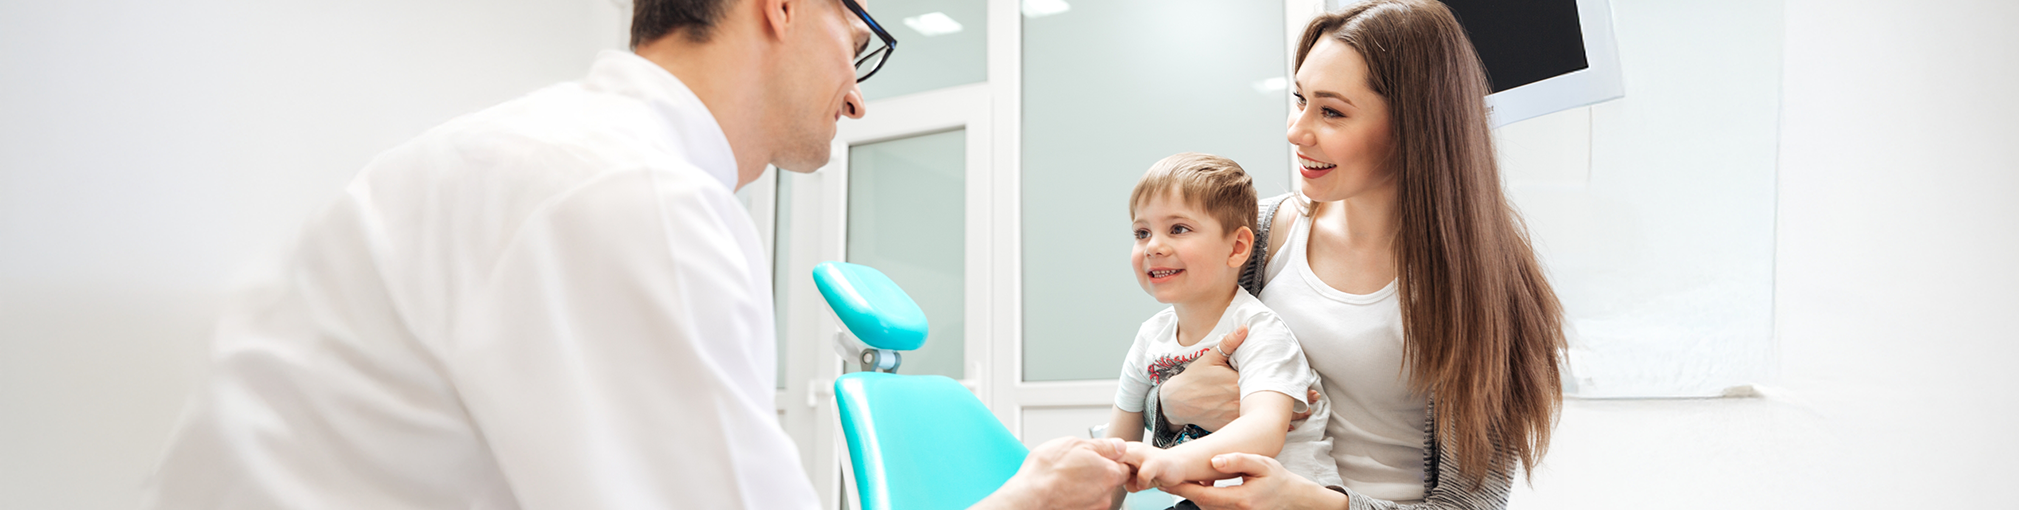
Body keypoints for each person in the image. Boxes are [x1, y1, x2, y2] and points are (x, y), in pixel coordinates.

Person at [143, 0, 1131, 509]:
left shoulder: (545, 156)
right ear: (781, 6)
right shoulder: (632, 197)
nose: (860, 93)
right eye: (858, 37)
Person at [1140, 1, 1570, 509]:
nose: (1296, 131)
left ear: (1416, 126)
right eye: (1299, 100)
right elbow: (1161, 373)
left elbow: (1468, 504)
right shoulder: (1255, 233)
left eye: (1332, 111)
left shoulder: (1487, 286)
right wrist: (1167, 404)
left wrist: (1317, 503)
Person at [1104, 154, 1338, 506]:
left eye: (1178, 229)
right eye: (1142, 232)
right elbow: (1120, 440)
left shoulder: (1257, 330)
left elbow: (1264, 431)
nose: (1153, 246)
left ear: (1238, 247)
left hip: (1285, 500)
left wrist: (1169, 460)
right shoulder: (1149, 338)